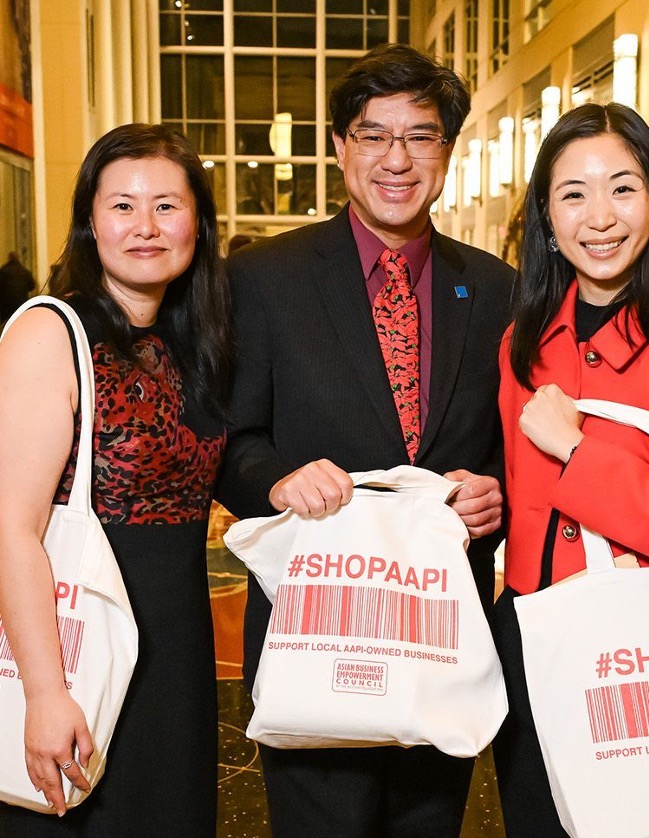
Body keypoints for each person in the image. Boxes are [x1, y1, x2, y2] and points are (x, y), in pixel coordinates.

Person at [216, 44, 513, 838]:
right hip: (318, 634)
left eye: (419, 136)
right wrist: (276, 480)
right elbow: (232, 438)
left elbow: (510, 445)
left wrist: (497, 492)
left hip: (440, 640)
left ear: (447, 149)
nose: (396, 159)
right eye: (373, 135)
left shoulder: (495, 287)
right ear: (340, 146)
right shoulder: (264, 279)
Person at [494, 102, 649, 836]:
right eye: (574, 194)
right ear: (547, 218)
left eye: (623, 188)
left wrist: (578, 452)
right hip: (532, 640)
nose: (600, 217)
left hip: (646, 651)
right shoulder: (521, 344)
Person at [0, 123, 232, 836]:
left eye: (166, 206)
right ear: (91, 222)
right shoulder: (51, 332)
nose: (145, 227)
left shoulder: (193, 339)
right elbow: (10, 528)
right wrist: (46, 693)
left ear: (198, 222)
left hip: (174, 653)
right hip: (75, 647)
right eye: (123, 206)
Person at [0, 250, 36, 321]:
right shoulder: (25, 271)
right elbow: (32, 286)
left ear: (9, 258)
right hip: (21, 304)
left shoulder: (3, 270)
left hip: (6, 305)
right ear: (18, 258)